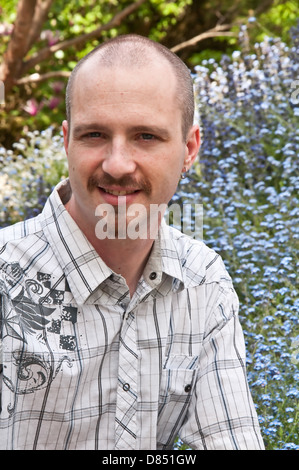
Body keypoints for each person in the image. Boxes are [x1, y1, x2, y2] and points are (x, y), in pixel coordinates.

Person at [0, 34, 264, 450]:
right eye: (95, 136)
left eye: (146, 136)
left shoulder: (203, 284)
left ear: (190, 148)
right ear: (67, 141)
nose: (118, 164)